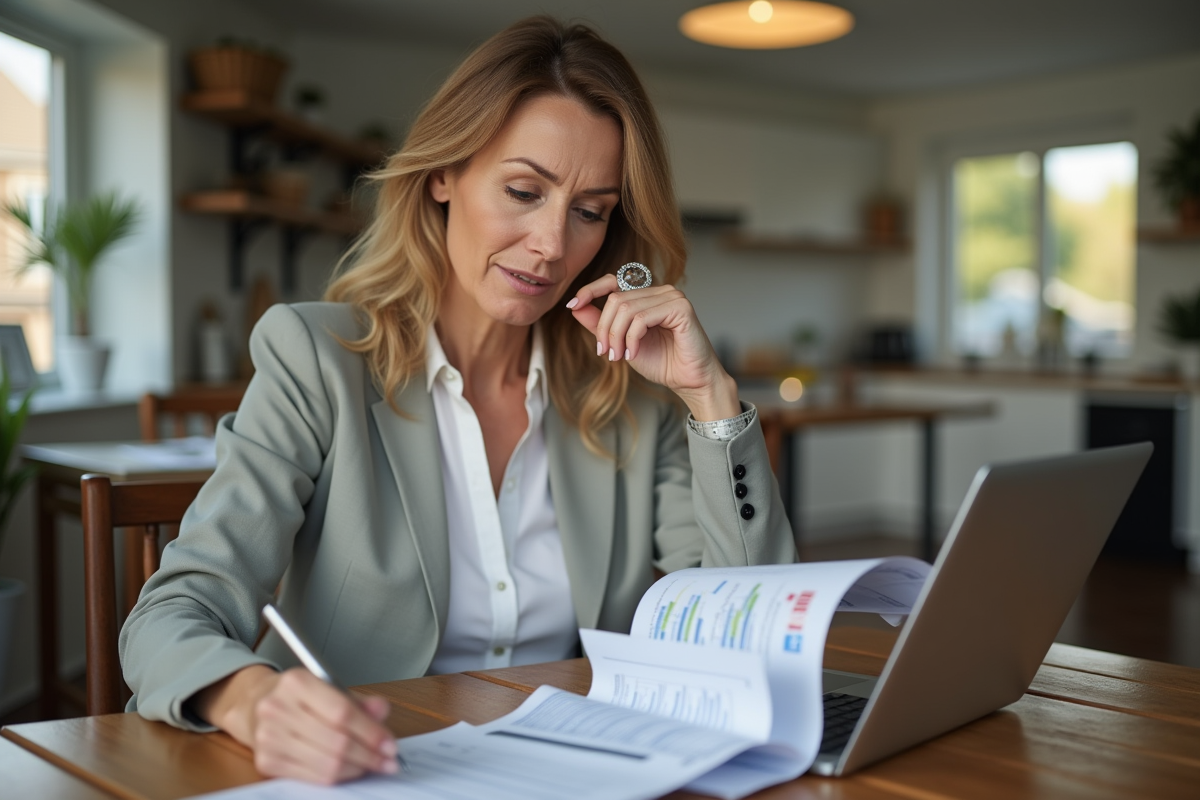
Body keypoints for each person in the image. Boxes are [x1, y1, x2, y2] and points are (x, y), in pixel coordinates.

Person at [121, 16, 795, 785]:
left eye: (589, 210)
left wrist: (710, 398)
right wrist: (252, 702)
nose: (550, 243)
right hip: (366, 773)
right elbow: (172, 615)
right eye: (522, 190)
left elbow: (749, 633)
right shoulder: (316, 360)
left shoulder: (628, 397)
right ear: (443, 175)